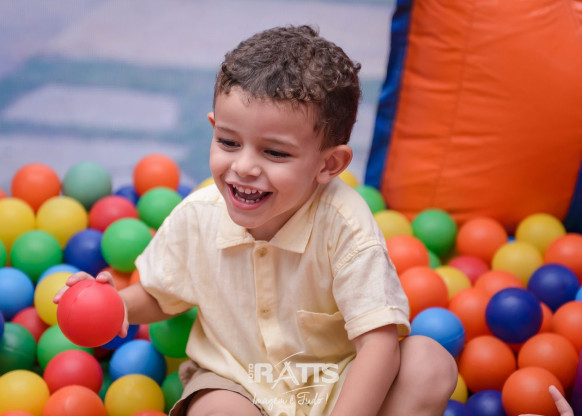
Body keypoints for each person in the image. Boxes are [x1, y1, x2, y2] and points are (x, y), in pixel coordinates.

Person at [55, 25, 457, 416]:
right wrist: (116, 305)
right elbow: (161, 293)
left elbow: (377, 345)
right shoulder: (199, 216)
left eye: (275, 153)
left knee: (429, 363)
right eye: (228, 142)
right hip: (236, 383)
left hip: (334, 385)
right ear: (213, 129)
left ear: (329, 164)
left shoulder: (345, 226)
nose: (244, 167)